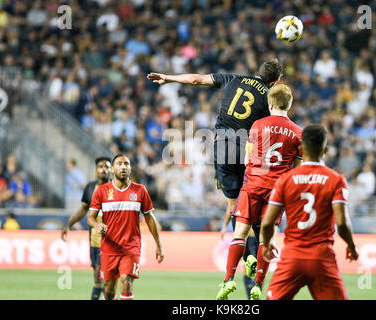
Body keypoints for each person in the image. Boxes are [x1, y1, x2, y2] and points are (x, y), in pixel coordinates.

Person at [147, 59, 283, 242]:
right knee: (251, 204)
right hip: (246, 153)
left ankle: (245, 256)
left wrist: (168, 78)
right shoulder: (268, 98)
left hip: (221, 149)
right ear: (275, 82)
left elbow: (196, 80)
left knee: (234, 206)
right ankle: (258, 250)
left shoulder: (233, 79)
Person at [216, 84, 303, 300]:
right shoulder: (298, 132)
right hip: (276, 192)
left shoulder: (257, 125)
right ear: (289, 104)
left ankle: (228, 280)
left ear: (270, 104)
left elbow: (247, 160)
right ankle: (258, 285)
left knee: (240, 235)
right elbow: (298, 170)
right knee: (266, 239)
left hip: (253, 185)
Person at [261, 124, 359, 300]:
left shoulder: (285, 179)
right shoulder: (336, 180)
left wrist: (268, 243)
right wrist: (351, 246)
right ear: (325, 150)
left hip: (292, 256)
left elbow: (267, 222)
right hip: (322, 257)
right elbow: (342, 223)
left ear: (300, 148)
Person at [87, 154, 164, 300]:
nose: (123, 167)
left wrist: (159, 244)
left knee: (126, 282)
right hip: (109, 248)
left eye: (126, 164)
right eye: (119, 164)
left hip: (130, 247)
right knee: (109, 291)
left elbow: (149, 217)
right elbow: (90, 218)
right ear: (113, 169)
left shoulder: (140, 190)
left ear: (130, 169)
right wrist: (97, 225)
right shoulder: (102, 191)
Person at [61, 156, 112, 300]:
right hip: (95, 239)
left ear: (111, 169)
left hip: (112, 240)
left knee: (107, 277)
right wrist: (68, 225)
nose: (104, 169)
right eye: (101, 166)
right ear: (96, 170)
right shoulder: (90, 188)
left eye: (107, 166)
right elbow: (83, 210)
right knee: (97, 274)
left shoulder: (116, 188)